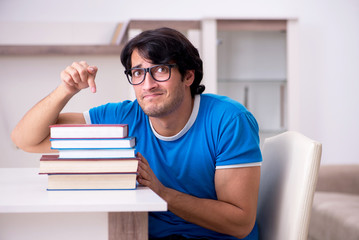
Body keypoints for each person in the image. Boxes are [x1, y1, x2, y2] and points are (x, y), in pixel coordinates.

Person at [11, 27, 262, 240]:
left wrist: (161, 192)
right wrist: (65, 91)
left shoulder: (228, 120)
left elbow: (239, 223)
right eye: (138, 72)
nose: (148, 84)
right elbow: (27, 140)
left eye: (161, 70)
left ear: (188, 75)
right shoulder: (123, 117)